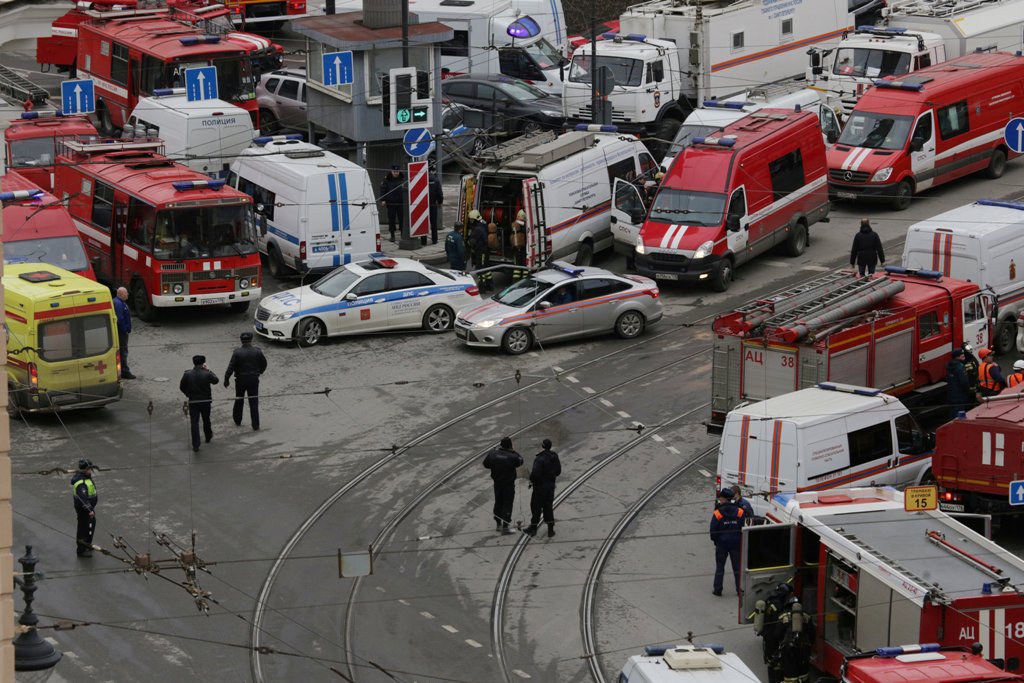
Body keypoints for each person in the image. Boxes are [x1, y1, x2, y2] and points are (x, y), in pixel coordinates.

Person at [224, 332, 267, 431]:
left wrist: (226, 379)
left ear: (241, 340)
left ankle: (237, 420)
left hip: (240, 379)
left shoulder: (237, 352)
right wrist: (259, 372)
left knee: (239, 399)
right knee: (254, 401)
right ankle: (255, 425)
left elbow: (231, 367)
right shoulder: (257, 351)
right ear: (251, 340)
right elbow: (264, 363)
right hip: (253, 379)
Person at [483, 436, 523, 535]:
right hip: (508, 484)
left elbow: (486, 464)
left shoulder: (493, 454)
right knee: (507, 504)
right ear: (510, 445)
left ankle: (498, 524)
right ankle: (505, 527)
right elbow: (520, 461)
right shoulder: (513, 456)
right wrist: (513, 451)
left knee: (498, 502)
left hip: (497, 483)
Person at [180, 354, 219, 452]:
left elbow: (182, 387)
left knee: (194, 422)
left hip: (193, 401)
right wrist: (209, 370)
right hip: (205, 401)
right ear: (203, 363)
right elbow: (216, 380)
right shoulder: (207, 373)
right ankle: (208, 436)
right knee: (206, 419)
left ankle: (196, 444)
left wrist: (187, 394)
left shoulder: (187, 374)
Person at [709, 487, 745, 596]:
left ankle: (718, 589)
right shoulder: (740, 511)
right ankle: (739, 590)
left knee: (720, 567)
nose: (719, 500)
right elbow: (744, 527)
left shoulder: (717, 513)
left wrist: (717, 541)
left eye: (720, 499)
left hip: (722, 544)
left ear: (724, 499)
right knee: (737, 568)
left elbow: (713, 530)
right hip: (736, 543)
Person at [525, 438, 561, 538]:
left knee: (536, 507)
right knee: (548, 507)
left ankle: (533, 528)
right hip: (550, 487)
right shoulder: (554, 456)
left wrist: (532, 479)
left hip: (540, 488)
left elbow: (535, 475)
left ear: (542, 446)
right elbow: (558, 471)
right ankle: (550, 530)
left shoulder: (539, 459)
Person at [72, 458, 98, 558]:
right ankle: (81, 550)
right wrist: (89, 510)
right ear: (84, 470)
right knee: (83, 529)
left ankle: (87, 544)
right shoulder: (81, 482)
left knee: (90, 526)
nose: (90, 471)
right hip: (84, 510)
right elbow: (83, 499)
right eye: (89, 469)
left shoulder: (86, 478)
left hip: (89, 509)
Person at [379, 165, 406, 242]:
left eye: (397, 172)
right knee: (391, 220)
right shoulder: (386, 179)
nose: (396, 173)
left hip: (401, 202)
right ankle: (392, 235)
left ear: (399, 171)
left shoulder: (402, 178)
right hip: (391, 203)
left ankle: (402, 234)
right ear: (391, 171)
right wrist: (383, 200)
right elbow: (382, 190)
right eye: (394, 172)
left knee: (402, 219)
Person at [113, 286, 135, 379]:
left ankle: (123, 369)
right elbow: (120, 319)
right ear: (121, 294)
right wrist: (125, 330)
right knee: (123, 351)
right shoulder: (118, 304)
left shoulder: (119, 302)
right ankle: (124, 371)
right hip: (121, 333)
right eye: (126, 293)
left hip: (122, 332)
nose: (128, 294)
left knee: (123, 351)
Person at [468, 209, 492, 291]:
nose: (470, 221)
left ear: (475, 219)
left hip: (481, 251)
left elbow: (472, 241)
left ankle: (482, 287)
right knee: (486, 268)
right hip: (485, 250)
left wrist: (468, 241)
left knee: (480, 269)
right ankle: (489, 285)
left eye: (471, 219)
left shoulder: (477, 229)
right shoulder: (483, 223)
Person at [946, 347, 972, 417]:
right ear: (957, 357)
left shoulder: (949, 365)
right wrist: (968, 391)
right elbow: (964, 382)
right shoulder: (960, 367)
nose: (963, 355)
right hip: (960, 396)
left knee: (952, 414)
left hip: (951, 395)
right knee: (960, 415)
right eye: (961, 354)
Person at [424, 171, 444, 246]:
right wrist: (439, 202)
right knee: (433, 223)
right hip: (433, 204)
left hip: (423, 204)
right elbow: (439, 193)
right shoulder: (436, 180)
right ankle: (434, 240)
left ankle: (423, 241)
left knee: (424, 223)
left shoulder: (422, 179)